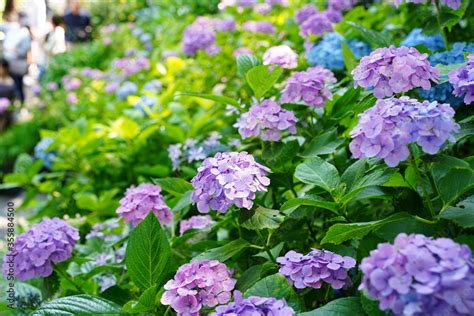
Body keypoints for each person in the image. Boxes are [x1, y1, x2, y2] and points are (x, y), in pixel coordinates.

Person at [1, 3, 32, 104]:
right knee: (11, 84)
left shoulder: (24, 33)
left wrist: (11, 50)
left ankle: (20, 104)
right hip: (8, 62)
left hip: (17, 63)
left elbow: (23, 51)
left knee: (18, 85)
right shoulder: (11, 29)